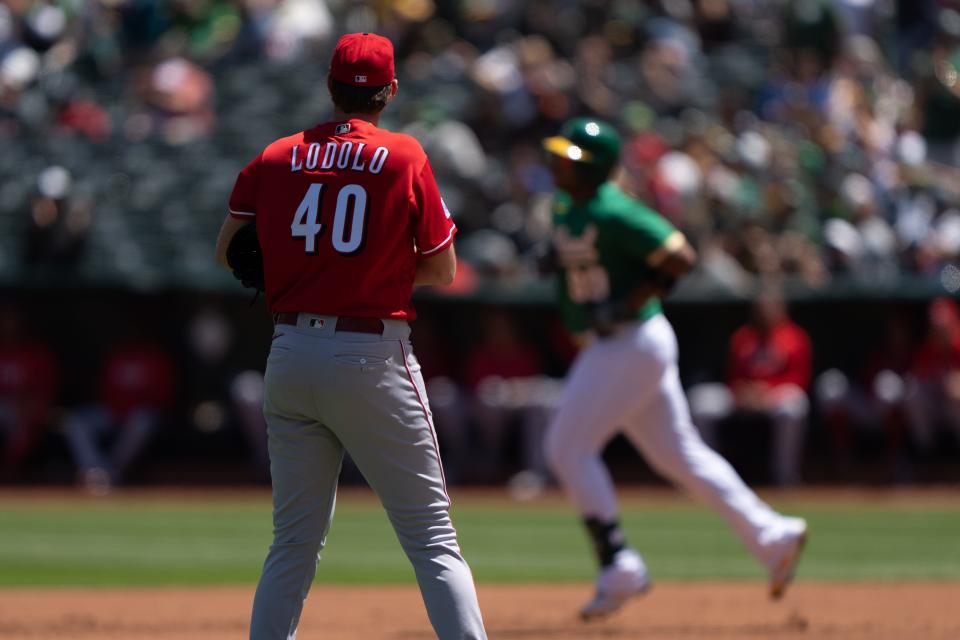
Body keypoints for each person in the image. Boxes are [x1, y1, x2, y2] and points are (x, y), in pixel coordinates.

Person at [214, 33, 486, 640]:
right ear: (389, 91)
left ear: (329, 86)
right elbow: (443, 269)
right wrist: (371, 268)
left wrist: (299, 265)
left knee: (292, 544)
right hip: (369, 352)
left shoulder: (278, 155)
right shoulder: (404, 155)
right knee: (433, 539)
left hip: (289, 354)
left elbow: (227, 250)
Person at [540, 118, 808, 621]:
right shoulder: (564, 205)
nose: (556, 163)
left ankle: (618, 562)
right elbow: (577, 248)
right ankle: (772, 536)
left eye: (569, 158)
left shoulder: (613, 208)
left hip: (629, 340)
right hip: (627, 345)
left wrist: (626, 302)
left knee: (566, 447)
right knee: (680, 456)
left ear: (594, 168)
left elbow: (679, 255)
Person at [689, 290, 813, 486]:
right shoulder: (743, 337)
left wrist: (767, 390)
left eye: (770, 308)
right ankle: (708, 474)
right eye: (761, 308)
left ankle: (785, 475)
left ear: (782, 310)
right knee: (702, 401)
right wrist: (742, 390)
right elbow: (732, 374)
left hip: (776, 395)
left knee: (794, 407)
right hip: (743, 395)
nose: (765, 313)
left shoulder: (795, 337)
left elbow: (799, 378)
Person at [63, 335, 175, 493]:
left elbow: (163, 395)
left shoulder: (153, 359)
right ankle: (94, 470)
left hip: (138, 416)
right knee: (75, 420)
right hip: (113, 413)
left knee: (142, 420)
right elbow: (103, 391)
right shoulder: (117, 358)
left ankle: (112, 472)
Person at [0, 305, 58, 480]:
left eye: (12, 322)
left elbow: (46, 390)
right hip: (4, 407)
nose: (8, 328)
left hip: (28, 409)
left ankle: (12, 469)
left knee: (25, 422)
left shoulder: (36, 354)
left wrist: (31, 404)